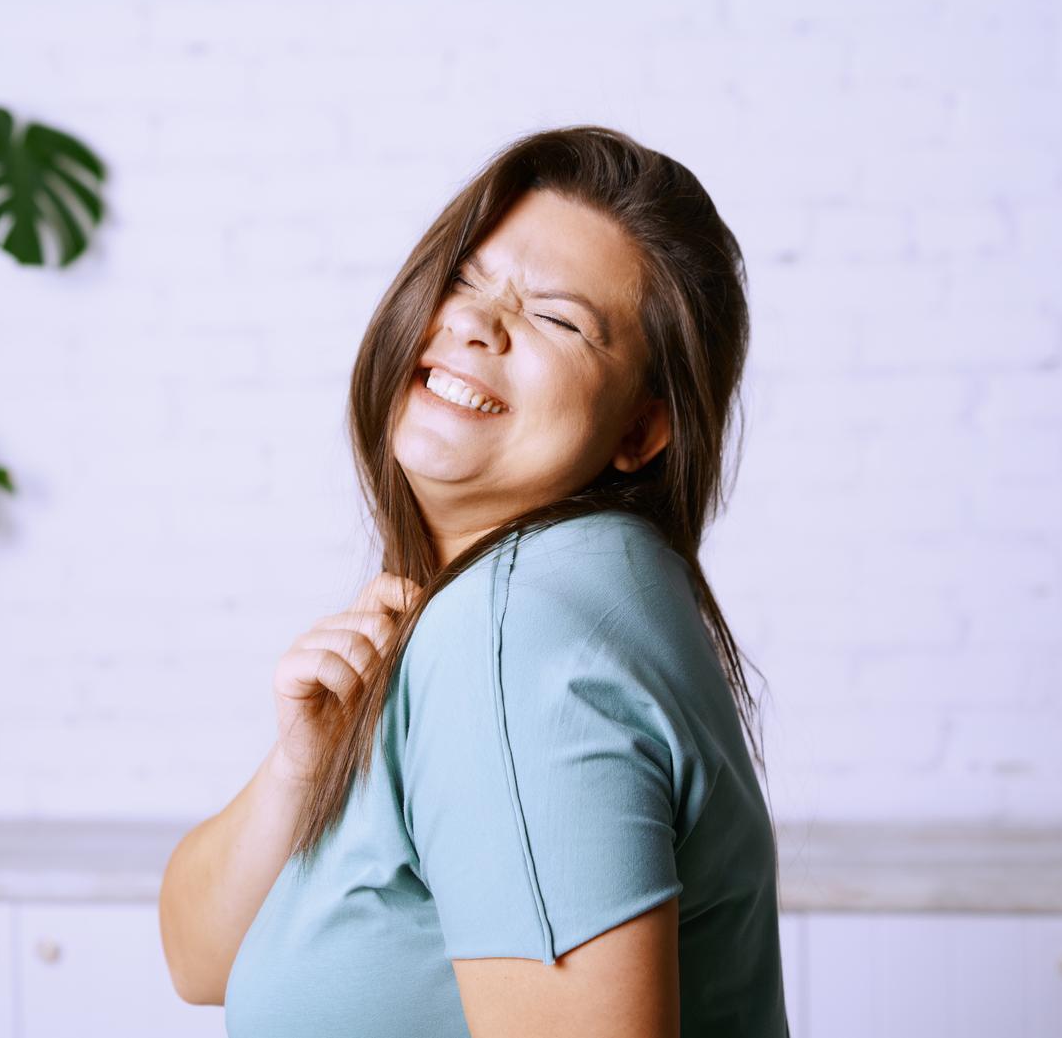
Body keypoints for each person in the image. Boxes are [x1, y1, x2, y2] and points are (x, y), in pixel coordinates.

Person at [159, 124, 789, 1037]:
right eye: (466, 278)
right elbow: (197, 958)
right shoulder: (565, 594)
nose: (472, 322)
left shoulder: (520, 631)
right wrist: (305, 766)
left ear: (642, 431)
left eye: (558, 317)